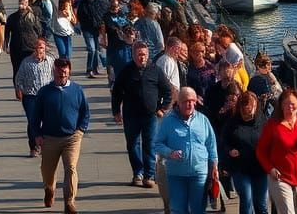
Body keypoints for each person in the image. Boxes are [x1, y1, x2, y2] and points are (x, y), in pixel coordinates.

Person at [33, 57, 90, 214]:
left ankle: (69, 202)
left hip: (71, 138)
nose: (62, 72)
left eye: (65, 70)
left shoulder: (77, 90)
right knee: (47, 172)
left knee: (71, 168)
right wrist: (37, 134)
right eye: (59, 70)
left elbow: (85, 113)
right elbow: (35, 116)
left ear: (69, 71)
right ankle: (49, 189)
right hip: (49, 138)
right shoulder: (45, 92)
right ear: (54, 71)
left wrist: (81, 130)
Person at [112, 40, 171, 188]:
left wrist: (162, 108)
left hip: (150, 115)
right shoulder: (126, 71)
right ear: (133, 55)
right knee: (132, 145)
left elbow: (167, 91)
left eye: (144, 55)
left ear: (148, 55)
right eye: (139, 55)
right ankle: (137, 172)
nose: (142, 58)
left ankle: (148, 175)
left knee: (149, 145)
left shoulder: (155, 70)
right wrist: (116, 111)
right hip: (131, 115)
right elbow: (117, 92)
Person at [255, 87, 297, 214]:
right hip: (280, 177)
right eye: (286, 104)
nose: (289, 107)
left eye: (293, 104)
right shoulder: (272, 125)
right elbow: (261, 151)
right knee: (287, 211)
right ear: (281, 106)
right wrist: (270, 169)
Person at [153, 86, 219, 214]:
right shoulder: (168, 121)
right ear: (178, 103)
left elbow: (211, 145)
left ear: (195, 101)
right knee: (178, 209)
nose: (189, 104)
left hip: (199, 173)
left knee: (198, 209)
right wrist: (169, 153)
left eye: (191, 101)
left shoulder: (203, 120)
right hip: (176, 174)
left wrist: (214, 166)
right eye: (185, 101)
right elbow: (157, 144)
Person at [222, 90, 268, 214]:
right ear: (241, 107)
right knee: (246, 200)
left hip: (260, 167)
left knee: (261, 204)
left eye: (253, 107)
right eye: (247, 107)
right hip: (240, 167)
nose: (250, 111)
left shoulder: (263, 121)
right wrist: (230, 151)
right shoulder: (232, 123)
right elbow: (224, 142)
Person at [16, 37, 55, 158]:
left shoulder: (50, 61)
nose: (40, 50)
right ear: (34, 49)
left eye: (42, 48)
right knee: (33, 121)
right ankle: (34, 146)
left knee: (46, 120)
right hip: (30, 97)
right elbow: (19, 78)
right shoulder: (26, 62)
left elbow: (55, 77)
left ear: (45, 49)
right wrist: (18, 89)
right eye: (38, 48)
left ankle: (44, 144)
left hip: (46, 95)